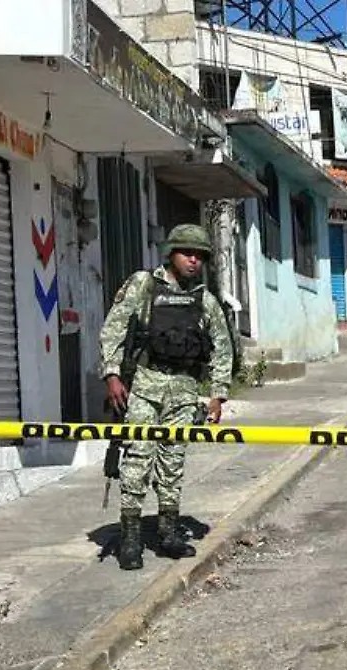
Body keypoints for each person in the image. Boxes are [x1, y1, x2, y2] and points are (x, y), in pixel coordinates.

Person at [99, 223, 234, 571]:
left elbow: (222, 346)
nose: (194, 260)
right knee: (137, 461)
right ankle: (130, 540)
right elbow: (113, 327)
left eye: (200, 255)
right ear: (170, 254)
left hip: (184, 390)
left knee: (172, 463)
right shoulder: (143, 285)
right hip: (144, 384)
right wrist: (112, 374)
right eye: (187, 253)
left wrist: (217, 395)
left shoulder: (204, 298)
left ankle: (169, 532)